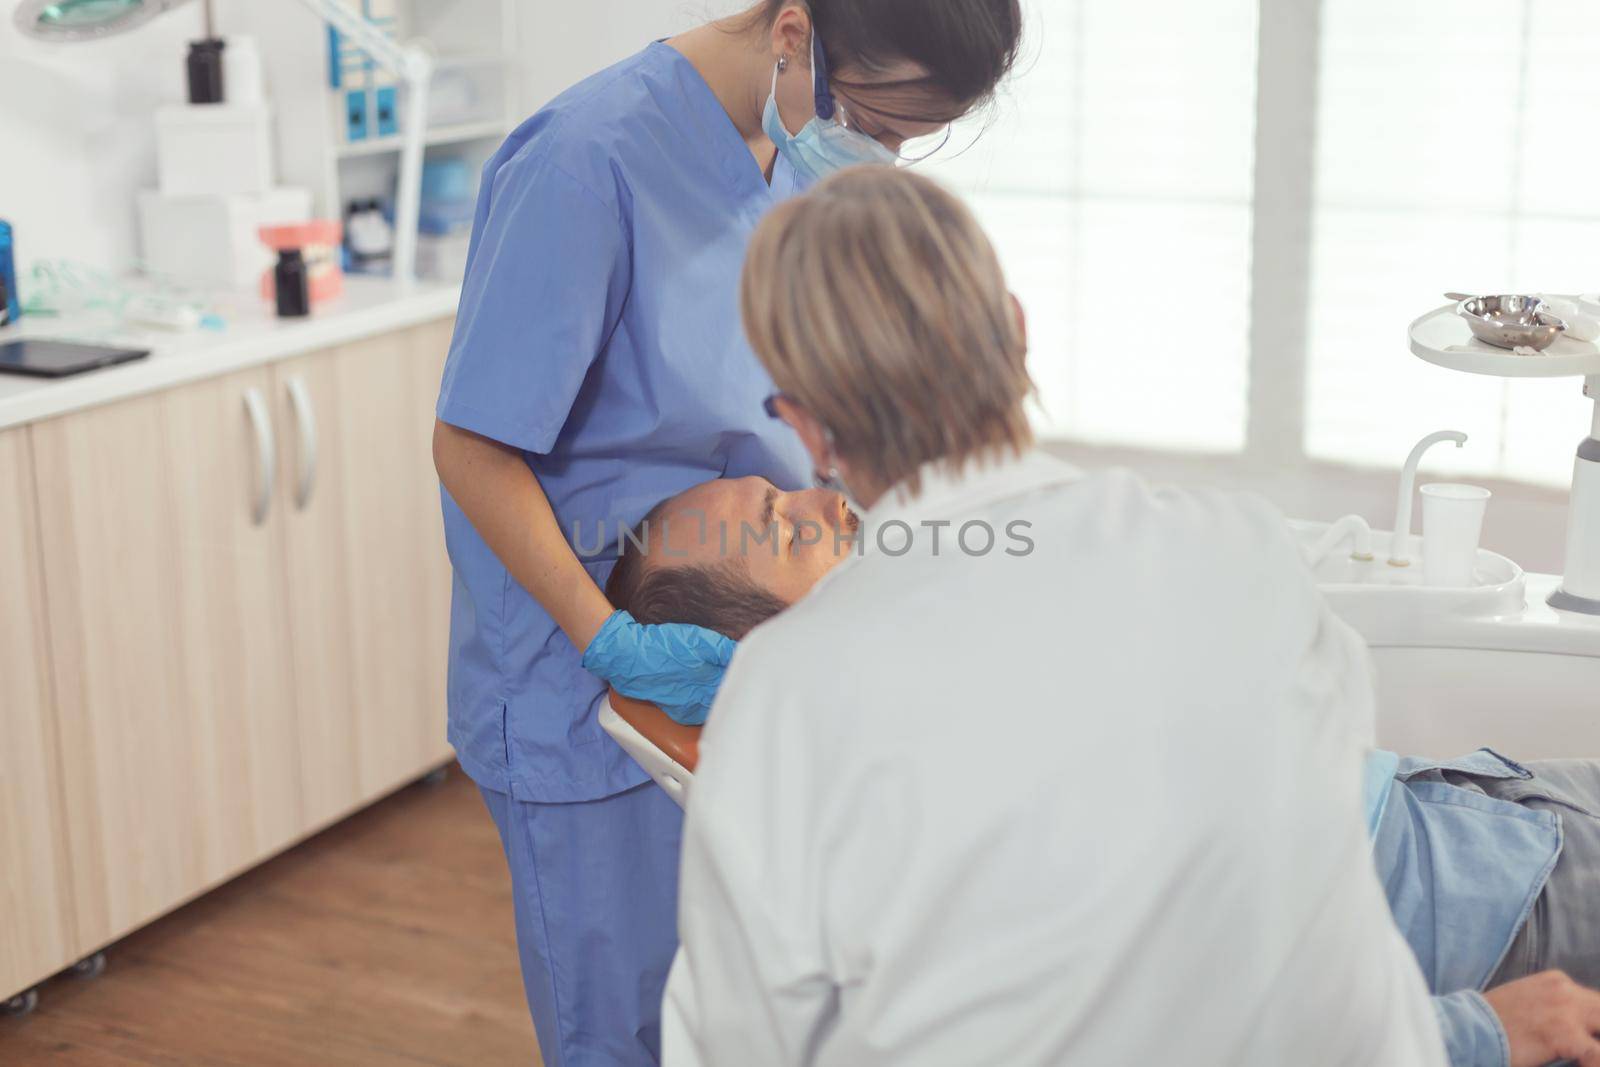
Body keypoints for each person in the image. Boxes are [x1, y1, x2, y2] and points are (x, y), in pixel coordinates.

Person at [657, 165, 1447, 1065]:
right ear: (1018, 334)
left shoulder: (787, 695)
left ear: (807, 429)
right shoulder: (1237, 544)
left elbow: (739, 1039)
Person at [429, 1, 1023, 1061]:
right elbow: (472, 446)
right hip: (586, 680)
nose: (877, 157)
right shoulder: (585, 161)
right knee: (633, 1025)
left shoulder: (793, 147)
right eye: (878, 123)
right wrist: (610, 643)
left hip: (765, 662)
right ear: (795, 32)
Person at [610, 474, 1600, 1067]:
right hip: (1492, 910)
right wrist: (1469, 1035)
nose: (831, 501)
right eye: (790, 529)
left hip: (1478, 811)